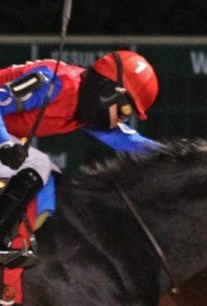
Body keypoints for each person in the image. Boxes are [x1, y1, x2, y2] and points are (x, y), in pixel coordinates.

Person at [0, 50, 161, 264]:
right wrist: (5, 143)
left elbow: (130, 142)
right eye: (124, 109)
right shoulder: (54, 82)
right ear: (109, 91)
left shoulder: (86, 106)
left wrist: (181, 157)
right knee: (39, 165)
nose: (121, 119)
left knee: (52, 185)